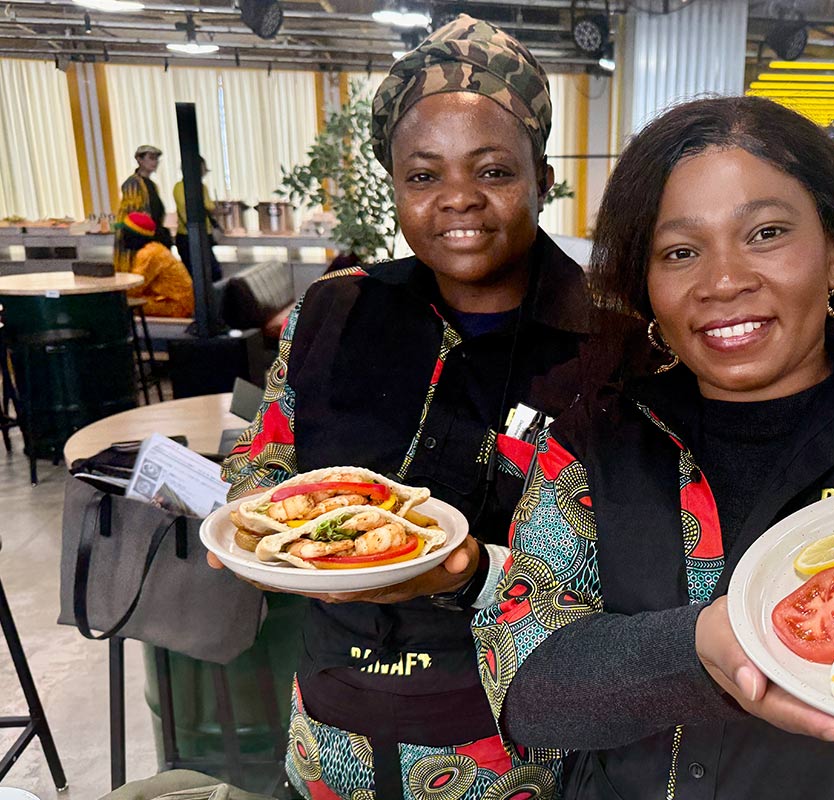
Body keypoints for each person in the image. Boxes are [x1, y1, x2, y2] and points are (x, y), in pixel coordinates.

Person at [471, 96, 834, 800]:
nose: (724, 280)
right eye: (682, 251)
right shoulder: (589, 446)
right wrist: (697, 647)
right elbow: (527, 688)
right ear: (647, 288)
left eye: (766, 233)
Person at [217, 15, 623, 800]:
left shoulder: (610, 345)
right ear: (394, 184)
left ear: (542, 174)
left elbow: (636, 565)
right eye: (423, 175)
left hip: (509, 750)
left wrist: (476, 572)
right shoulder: (331, 314)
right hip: (328, 727)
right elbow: (260, 456)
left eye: (495, 171)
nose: (458, 200)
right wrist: (262, 527)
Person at [122, 211, 194, 317]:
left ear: (133, 235)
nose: (122, 238)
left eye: (124, 233)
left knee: (121, 307)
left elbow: (134, 288)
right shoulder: (156, 248)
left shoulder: (148, 255)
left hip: (175, 306)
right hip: (180, 302)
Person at [115, 144, 172, 272]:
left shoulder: (152, 185)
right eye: (151, 158)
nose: (155, 162)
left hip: (151, 236)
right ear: (140, 160)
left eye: (156, 159)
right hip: (139, 238)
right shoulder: (133, 183)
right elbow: (134, 214)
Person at [172, 157, 223, 282]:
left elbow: (208, 206)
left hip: (203, 234)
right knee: (197, 274)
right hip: (188, 236)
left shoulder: (201, 187)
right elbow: (191, 208)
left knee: (211, 273)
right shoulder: (180, 187)